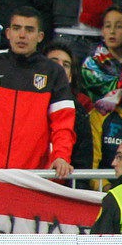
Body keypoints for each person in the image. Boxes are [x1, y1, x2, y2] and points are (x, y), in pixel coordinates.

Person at [0, 7, 76, 176]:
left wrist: (61, 156)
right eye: (17, 28)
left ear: (40, 37)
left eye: (29, 30)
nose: (22, 35)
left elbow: (63, 123)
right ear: (8, 33)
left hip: (32, 178)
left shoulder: (54, 72)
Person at [44, 40, 95, 170]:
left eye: (66, 65)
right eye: (54, 62)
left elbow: (83, 162)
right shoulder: (28, 100)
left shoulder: (79, 112)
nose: (60, 68)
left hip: (59, 187)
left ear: (71, 76)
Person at [80, 6, 122, 103]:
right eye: (108, 26)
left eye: (119, 26)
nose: (112, 32)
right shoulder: (91, 64)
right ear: (102, 30)